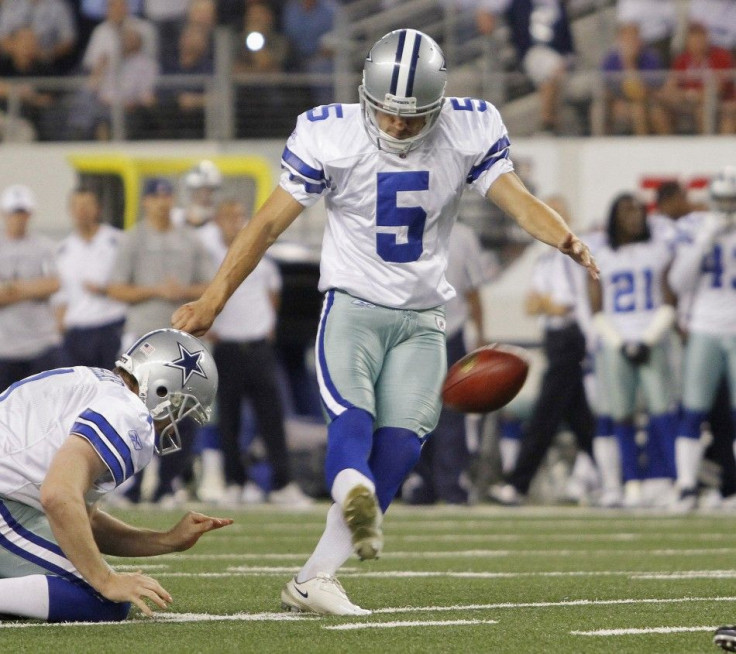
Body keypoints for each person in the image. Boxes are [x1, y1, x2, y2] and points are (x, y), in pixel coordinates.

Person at [172, 28, 598, 616]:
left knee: (400, 448)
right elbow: (266, 225)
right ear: (365, 95)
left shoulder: (468, 127)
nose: (397, 126)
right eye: (387, 113)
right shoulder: (331, 134)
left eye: (412, 116)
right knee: (352, 417)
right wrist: (213, 299)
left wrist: (562, 235)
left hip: (424, 318)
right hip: (353, 307)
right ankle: (353, 493)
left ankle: (315, 576)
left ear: (439, 104)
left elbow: (516, 197)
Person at [0, 327, 233, 622]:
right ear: (162, 389)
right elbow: (58, 496)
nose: (175, 423)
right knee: (99, 596)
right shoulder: (130, 413)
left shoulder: (97, 384)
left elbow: (82, 518)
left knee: (91, 568)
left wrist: (166, 540)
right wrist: (107, 581)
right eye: (181, 409)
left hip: (9, 500)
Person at [108, 177, 214, 504]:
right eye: (157, 197)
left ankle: (168, 484)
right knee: (136, 411)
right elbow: (116, 288)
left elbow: (210, 285)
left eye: (167, 196)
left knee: (181, 412)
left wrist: (181, 292)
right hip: (144, 336)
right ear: (146, 202)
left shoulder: (190, 239)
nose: (163, 202)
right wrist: (155, 290)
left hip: (182, 340)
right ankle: (133, 485)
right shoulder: (133, 238)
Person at [490, 195, 596, 506]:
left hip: (571, 338)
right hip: (554, 339)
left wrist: (548, 305)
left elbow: (566, 305)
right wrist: (548, 305)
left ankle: (517, 483)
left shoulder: (574, 252)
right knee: (580, 418)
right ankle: (616, 477)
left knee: (545, 414)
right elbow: (531, 304)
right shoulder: (544, 259)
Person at [207, 198, 313, 507]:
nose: (236, 222)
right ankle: (234, 483)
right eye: (229, 216)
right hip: (226, 346)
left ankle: (283, 483)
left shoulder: (260, 257)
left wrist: (266, 326)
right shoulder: (211, 256)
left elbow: (273, 295)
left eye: (240, 216)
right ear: (218, 222)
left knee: (272, 417)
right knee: (229, 419)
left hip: (258, 346)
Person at [589, 193, 678, 508]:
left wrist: (648, 338)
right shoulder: (601, 254)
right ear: (614, 217)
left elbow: (670, 299)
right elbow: (595, 307)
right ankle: (631, 485)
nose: (635, 216)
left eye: (639, 210)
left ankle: (671, 482)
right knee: (621, 415)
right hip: (616, 342)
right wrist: (621, 343)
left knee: (663, 412)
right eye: (628, 211)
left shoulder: (658, 250)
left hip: (652, 338)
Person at [404, 220, 491, 505]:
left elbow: (473, 290)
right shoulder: (406, 226)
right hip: (413, 331)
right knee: (415, 412)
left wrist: (479, 333)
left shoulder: (463, 235)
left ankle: (450, 482)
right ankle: (422, 480)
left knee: (452, 411)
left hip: (450, 330)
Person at [668, 166, 736, 511]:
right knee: (693, 410)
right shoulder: (694, 228)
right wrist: (704, 241)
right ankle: (685, 487)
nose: (727, 207)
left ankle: (732, 487)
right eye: (723, 200)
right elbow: (679, 282)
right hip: (704, 326)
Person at [54, 185, 127, 369]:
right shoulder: (63, 250)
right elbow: (61, 294)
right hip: (77, 332)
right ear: (70, 211)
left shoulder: (118, 241)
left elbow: (131, 283)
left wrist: (105, 290)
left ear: (98, 209)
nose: (82, 211)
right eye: (77, 206)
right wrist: (61, 324)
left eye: (87, 205)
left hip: (111, 326)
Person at [0, 183, 64, 391]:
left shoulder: (43, 246)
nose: (18, 218)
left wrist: (12, 289)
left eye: (22, 213)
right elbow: (44, 285)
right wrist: (33, 289)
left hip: (41, 344)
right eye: (14, 213)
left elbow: (53, 283)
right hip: (6, 347)